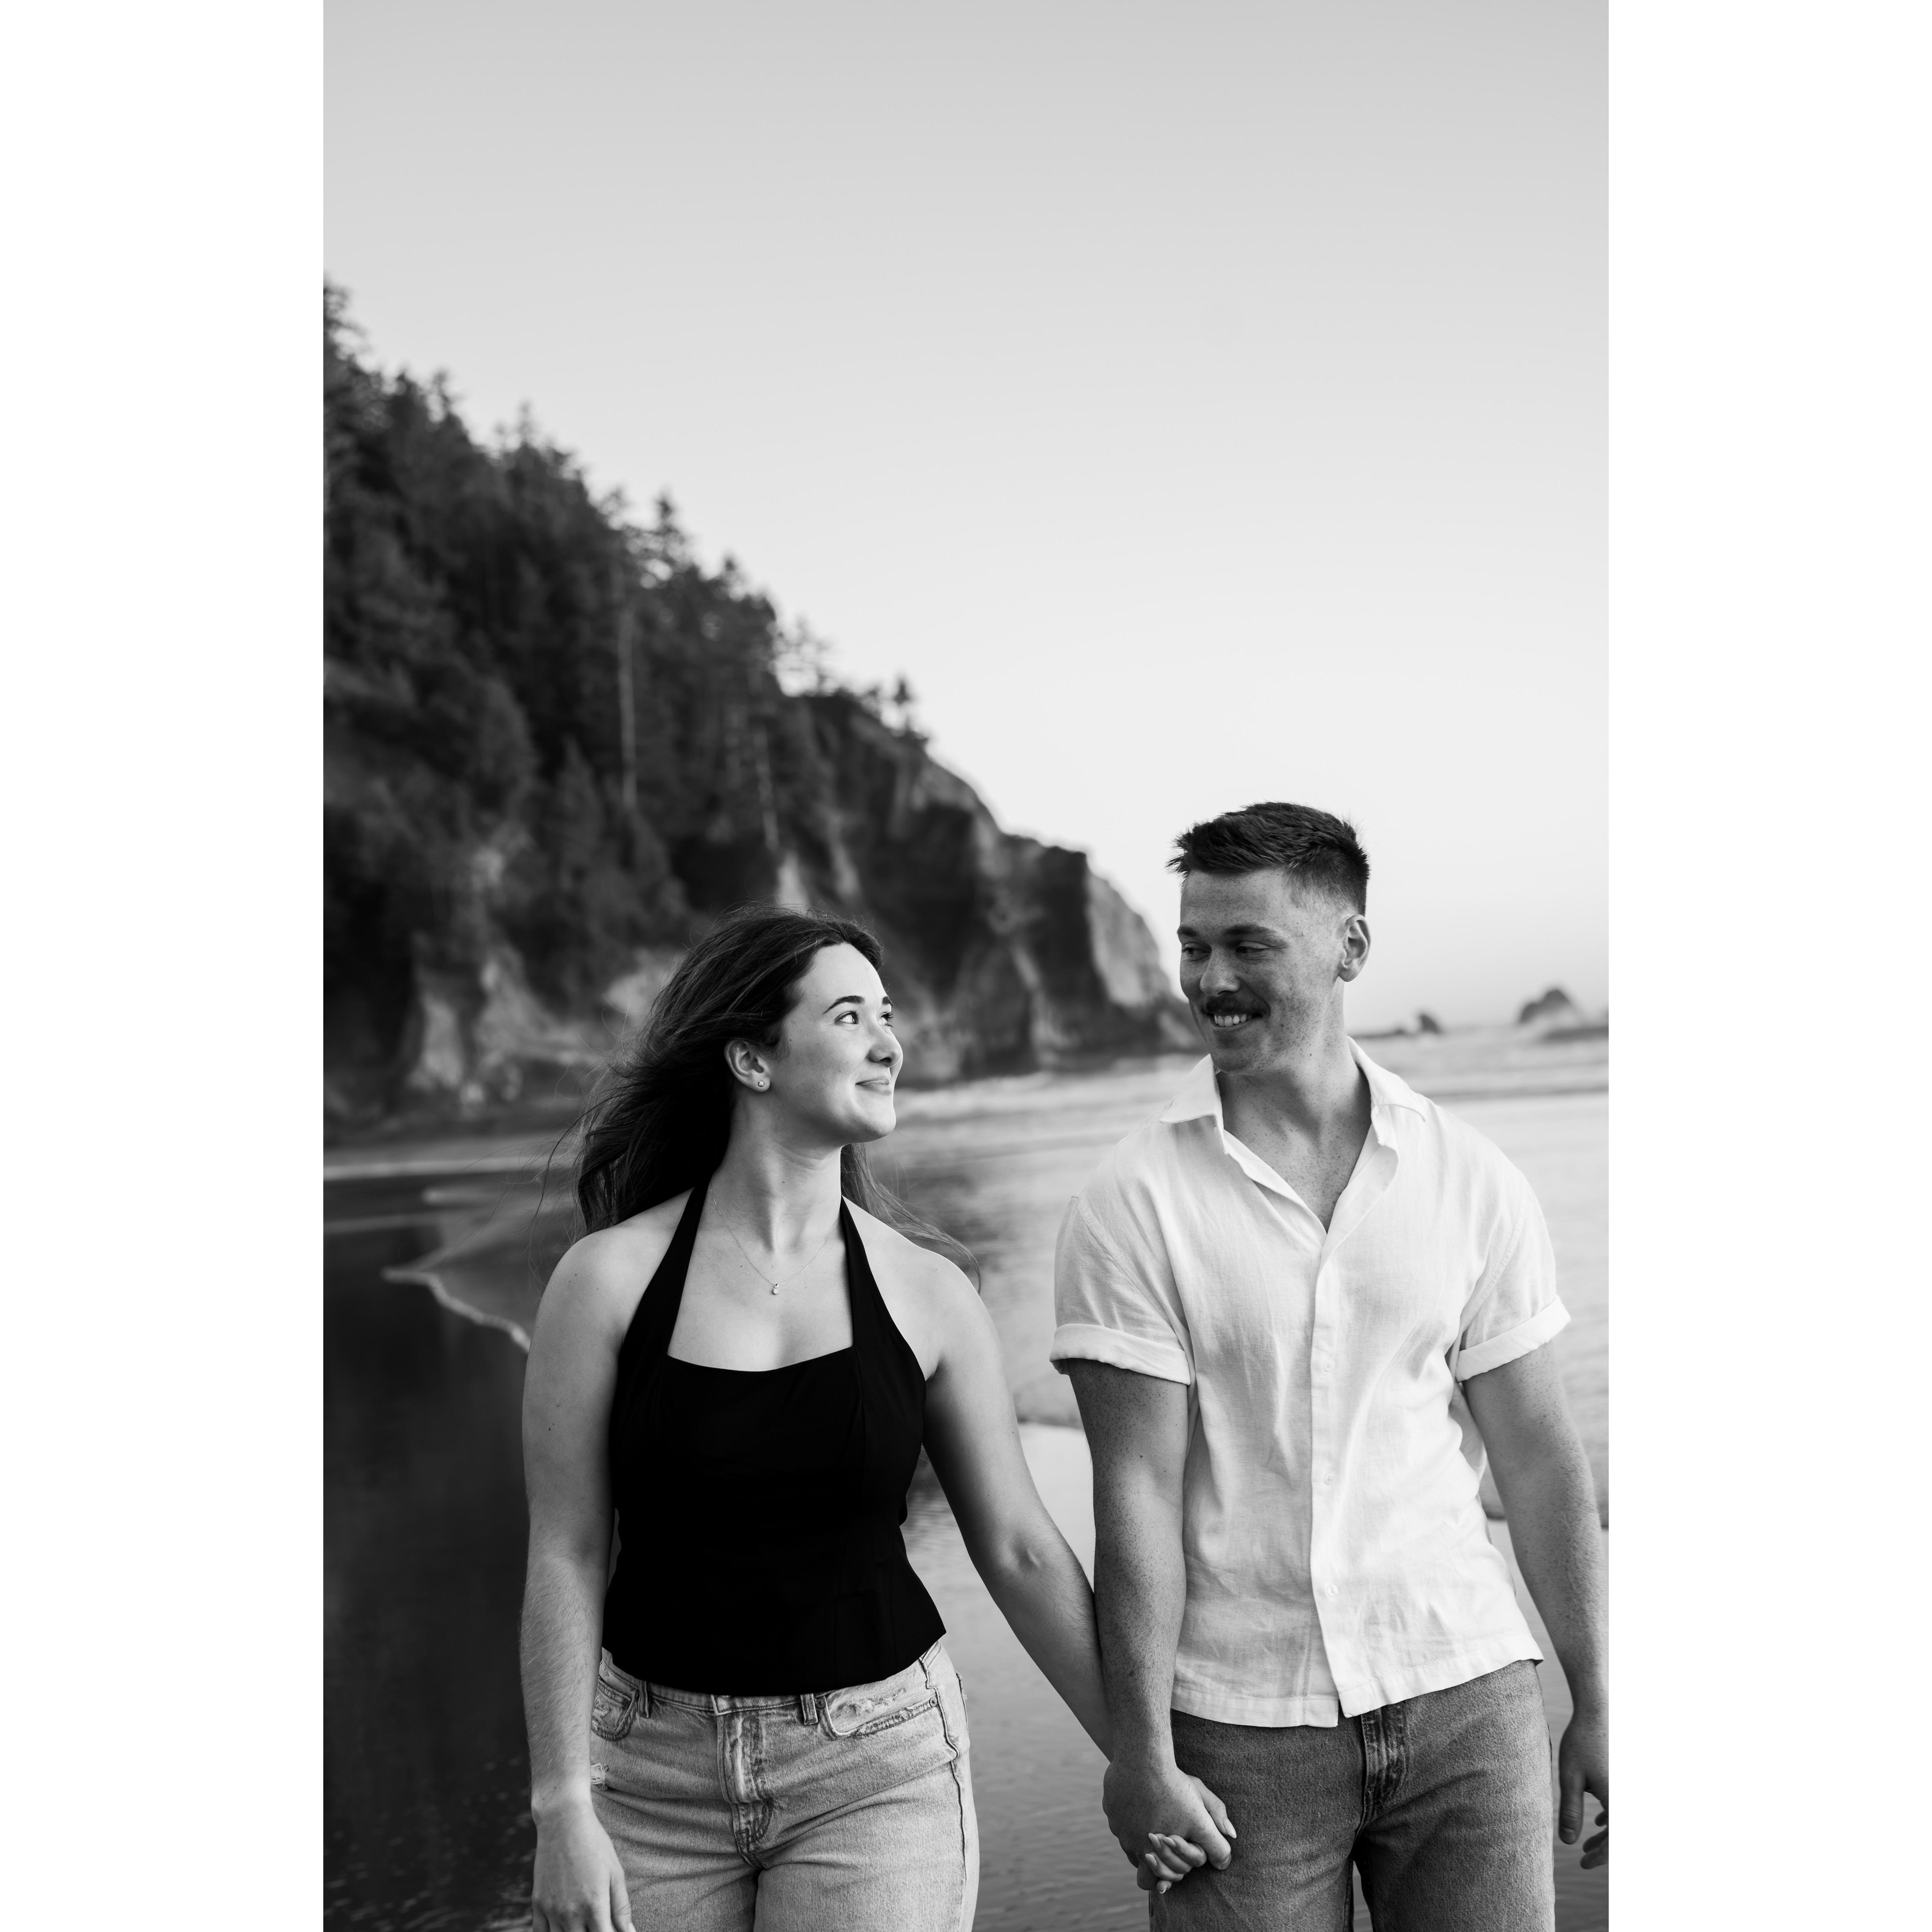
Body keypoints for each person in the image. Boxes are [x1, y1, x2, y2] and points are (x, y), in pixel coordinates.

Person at [518, 905, 1227, 1932]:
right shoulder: (608, 1282)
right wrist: (561, 1804)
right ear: (753, 1060)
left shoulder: (929, 1291)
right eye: (850, 1017)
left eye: (887, 1016)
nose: (890, 1045)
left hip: (877, 1770)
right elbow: (568, 1549)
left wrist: (1142, 1760)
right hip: (648, 1777)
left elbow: (1021, 1549)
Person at [1052, 802, 1608, 1931]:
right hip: (1238, 1734)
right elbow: (1135, 1492)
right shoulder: (1131, 1201)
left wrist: (1598, 1695)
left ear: (1350, 947)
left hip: (1467, 1699)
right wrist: (1141, 1752)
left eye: (1248, 945)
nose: (1211, 981)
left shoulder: (1470, 1178)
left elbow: (1541, 1456)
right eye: (1194, 946)